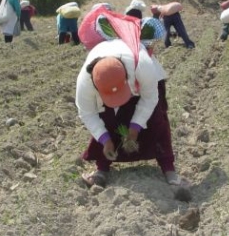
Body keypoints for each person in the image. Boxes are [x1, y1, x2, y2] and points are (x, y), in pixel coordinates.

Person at [76, 39, 180, 187]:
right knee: (107, 118)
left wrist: (135, 127)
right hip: (114, 81)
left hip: (139, 80)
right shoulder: (85, 82)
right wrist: (105, 139)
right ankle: (102, 168)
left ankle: (168, 167)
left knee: (156, 118)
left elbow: (150, 99)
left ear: (126, 76)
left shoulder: (142, 65)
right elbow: (87, 113)